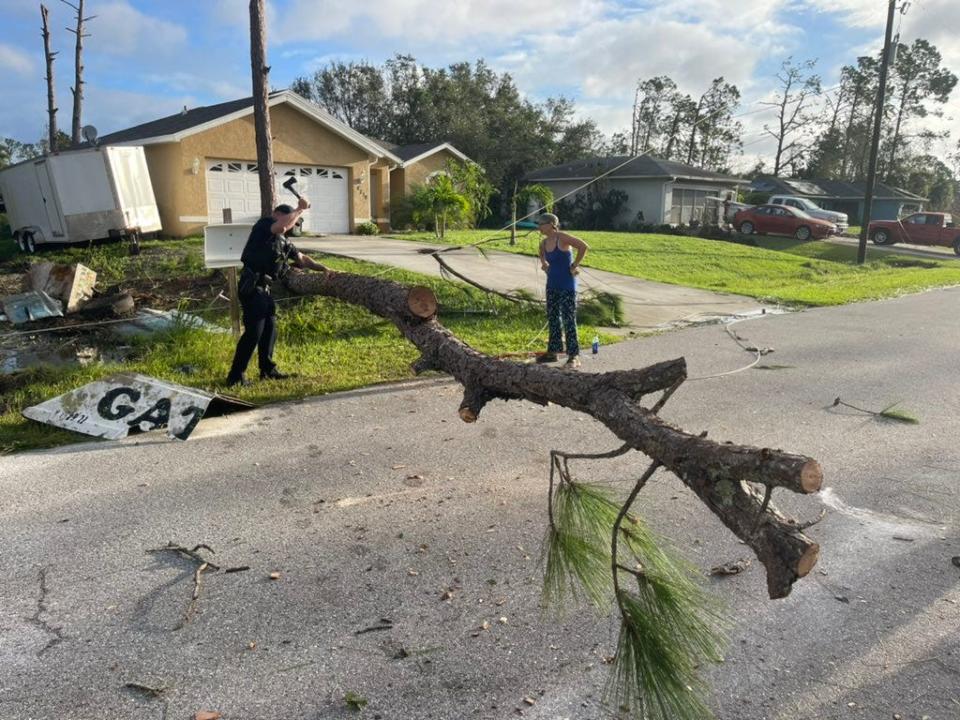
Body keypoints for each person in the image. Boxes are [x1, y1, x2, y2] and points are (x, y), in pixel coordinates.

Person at [225, 197, 328, 387]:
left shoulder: (283, 241)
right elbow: (280, 227)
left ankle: (268, 370)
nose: (291, 226)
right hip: (251, 286)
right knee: (253, 333)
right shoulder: (264, 225)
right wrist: (300, 209)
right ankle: (235, 376)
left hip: (264, 290)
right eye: (290, 220)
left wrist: (324, 269)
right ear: (278, 215)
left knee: (270, 330)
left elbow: (302, 258)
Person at [536, 212, 588, 368]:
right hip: (552, 285)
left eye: (541, 223)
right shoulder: (544, 243)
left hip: (567, 285)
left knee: (568, 319)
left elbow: (583, 246)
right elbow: (541, 255)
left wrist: (574, 265)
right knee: (553, 318)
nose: (539, 227)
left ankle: (573, 355)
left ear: (551, 224)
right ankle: (553, 352)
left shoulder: (562, 237)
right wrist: (544, 265)